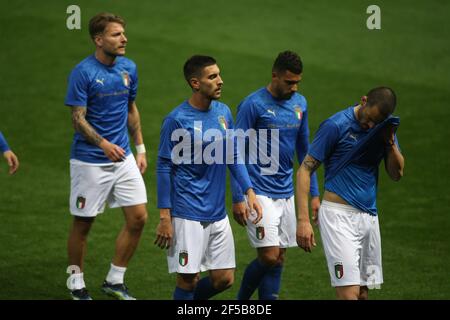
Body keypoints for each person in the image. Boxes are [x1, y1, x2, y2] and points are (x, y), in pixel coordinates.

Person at [155, 55, 262, 300]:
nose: (220, 81)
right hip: (187, 211)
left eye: (219, 75)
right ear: (195, 83)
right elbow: (163, 166)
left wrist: (248, 191)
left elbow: (233, 155)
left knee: (224, 278)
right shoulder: (177, 120)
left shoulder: (223, 113)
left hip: (216, 212)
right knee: (188, 280)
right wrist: (164, 216)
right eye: (212, 77)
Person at [64, 13, 148, 300]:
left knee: (138, 218)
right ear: (99, 40)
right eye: (116, 35)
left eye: (123, 33)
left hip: (123, 157)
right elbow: (78, 118)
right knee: (83, 224)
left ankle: (115, 280)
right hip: (90, 160)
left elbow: (131, 108)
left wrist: (140, 148)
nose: (124, 39)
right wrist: (103, 144)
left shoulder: (128, 68)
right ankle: (75, 283)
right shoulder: (83, 72)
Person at [296, 86, 405, 300]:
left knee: (363, 294)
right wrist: (303, 220)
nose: (370, 125)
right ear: (363, 101)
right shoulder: (336, 125)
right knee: (349, 295)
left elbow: (397, 173)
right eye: (369, 118)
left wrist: (390, 142)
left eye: (377, 122)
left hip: (369, 218)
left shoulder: (383, 128)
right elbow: (305, 170)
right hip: (339, 218)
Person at [230, 51, 320, 300]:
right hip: (257, 192)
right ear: (275, 75)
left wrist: (314, 193)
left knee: (279, 258)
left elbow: (305, 152)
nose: (294, 87)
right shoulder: (253, 104)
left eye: (297, 82)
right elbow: (234, 149)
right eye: (289, 82)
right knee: (269, 255)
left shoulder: (300, 103)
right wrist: (238, 195)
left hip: (286, 192)